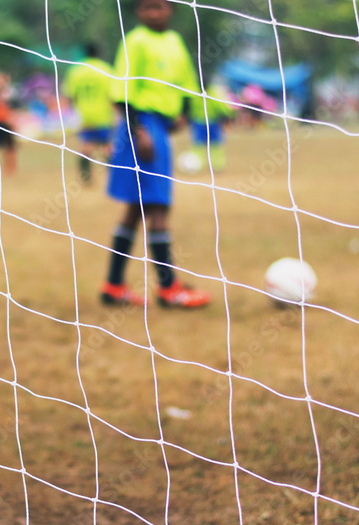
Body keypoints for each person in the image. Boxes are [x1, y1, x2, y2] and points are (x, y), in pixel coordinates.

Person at [102, 0, 211, 309]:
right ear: (138, 12)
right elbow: (120, 89)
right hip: (141, 127)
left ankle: (113, 285)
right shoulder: (135, 41)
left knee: (137, 208)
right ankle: (168, 290)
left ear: (171, 10)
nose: (153, 12)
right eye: (146, 7)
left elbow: (188, 82)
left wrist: (185, 113)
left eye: (159, 6)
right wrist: (140, 131)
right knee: (158, 207)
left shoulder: (175, 42)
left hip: (160, 127)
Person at [63, 44, 114, 184]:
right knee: (107, 147)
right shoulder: (105, 69)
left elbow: (71, 95)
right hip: (102, 114)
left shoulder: (76, 71)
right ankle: (113, 177)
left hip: (83, 114)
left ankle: (86, 178)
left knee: (86, 145)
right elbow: (113, 95)